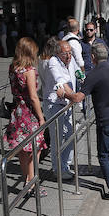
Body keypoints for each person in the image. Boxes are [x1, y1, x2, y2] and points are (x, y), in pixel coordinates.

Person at [73, 43, 109, 200]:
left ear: (92, 57)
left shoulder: (94, 74)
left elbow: (78, 97)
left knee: (103, 155)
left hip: (106, 120)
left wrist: (64, 93)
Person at [4, 37, 47, 198]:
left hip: (17, 112)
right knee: (35, 150)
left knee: (23, 150)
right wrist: (41, 117)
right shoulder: (28, 70)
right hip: (29, 113)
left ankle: (27, 181)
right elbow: (33, 96)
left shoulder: (13, 67)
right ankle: (33, 182)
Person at [40, 38, 82, 182]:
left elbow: (78, 72)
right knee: (57, 138)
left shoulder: (70, 61)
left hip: (68, 103)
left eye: (70, 53)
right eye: (65, 54)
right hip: (54, 104)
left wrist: (82, 79)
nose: (69, 56)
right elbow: (61, 82)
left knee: (71, 133)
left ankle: (66, 165)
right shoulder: (53, 62)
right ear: (58, 53)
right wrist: (73, 96)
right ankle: (57, 169)